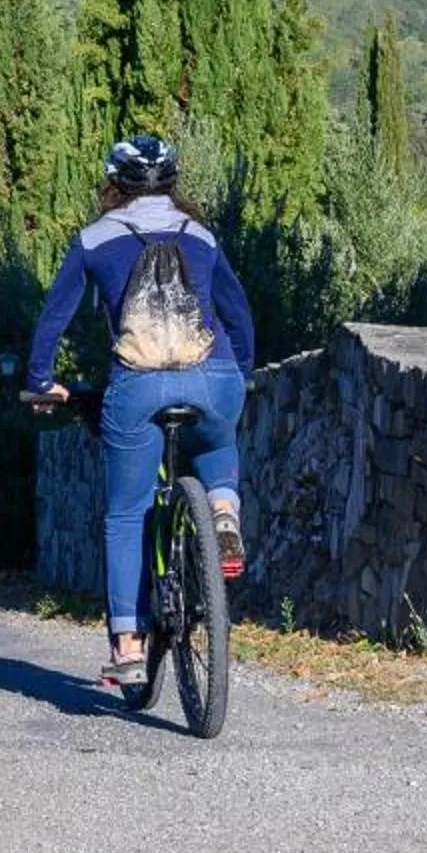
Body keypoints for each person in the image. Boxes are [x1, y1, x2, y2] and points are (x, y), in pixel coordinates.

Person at [22, 134, 254, 691]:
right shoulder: (201, 234)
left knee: (127, 513)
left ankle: (126, 645)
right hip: (213, 375)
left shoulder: (93, 239)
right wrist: (239, 373)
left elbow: (53, 319)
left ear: (114, 184)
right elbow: (239, 314)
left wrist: (40, 382)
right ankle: (222, 509)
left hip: (138, 384)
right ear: (173, 182)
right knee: (217, 442)